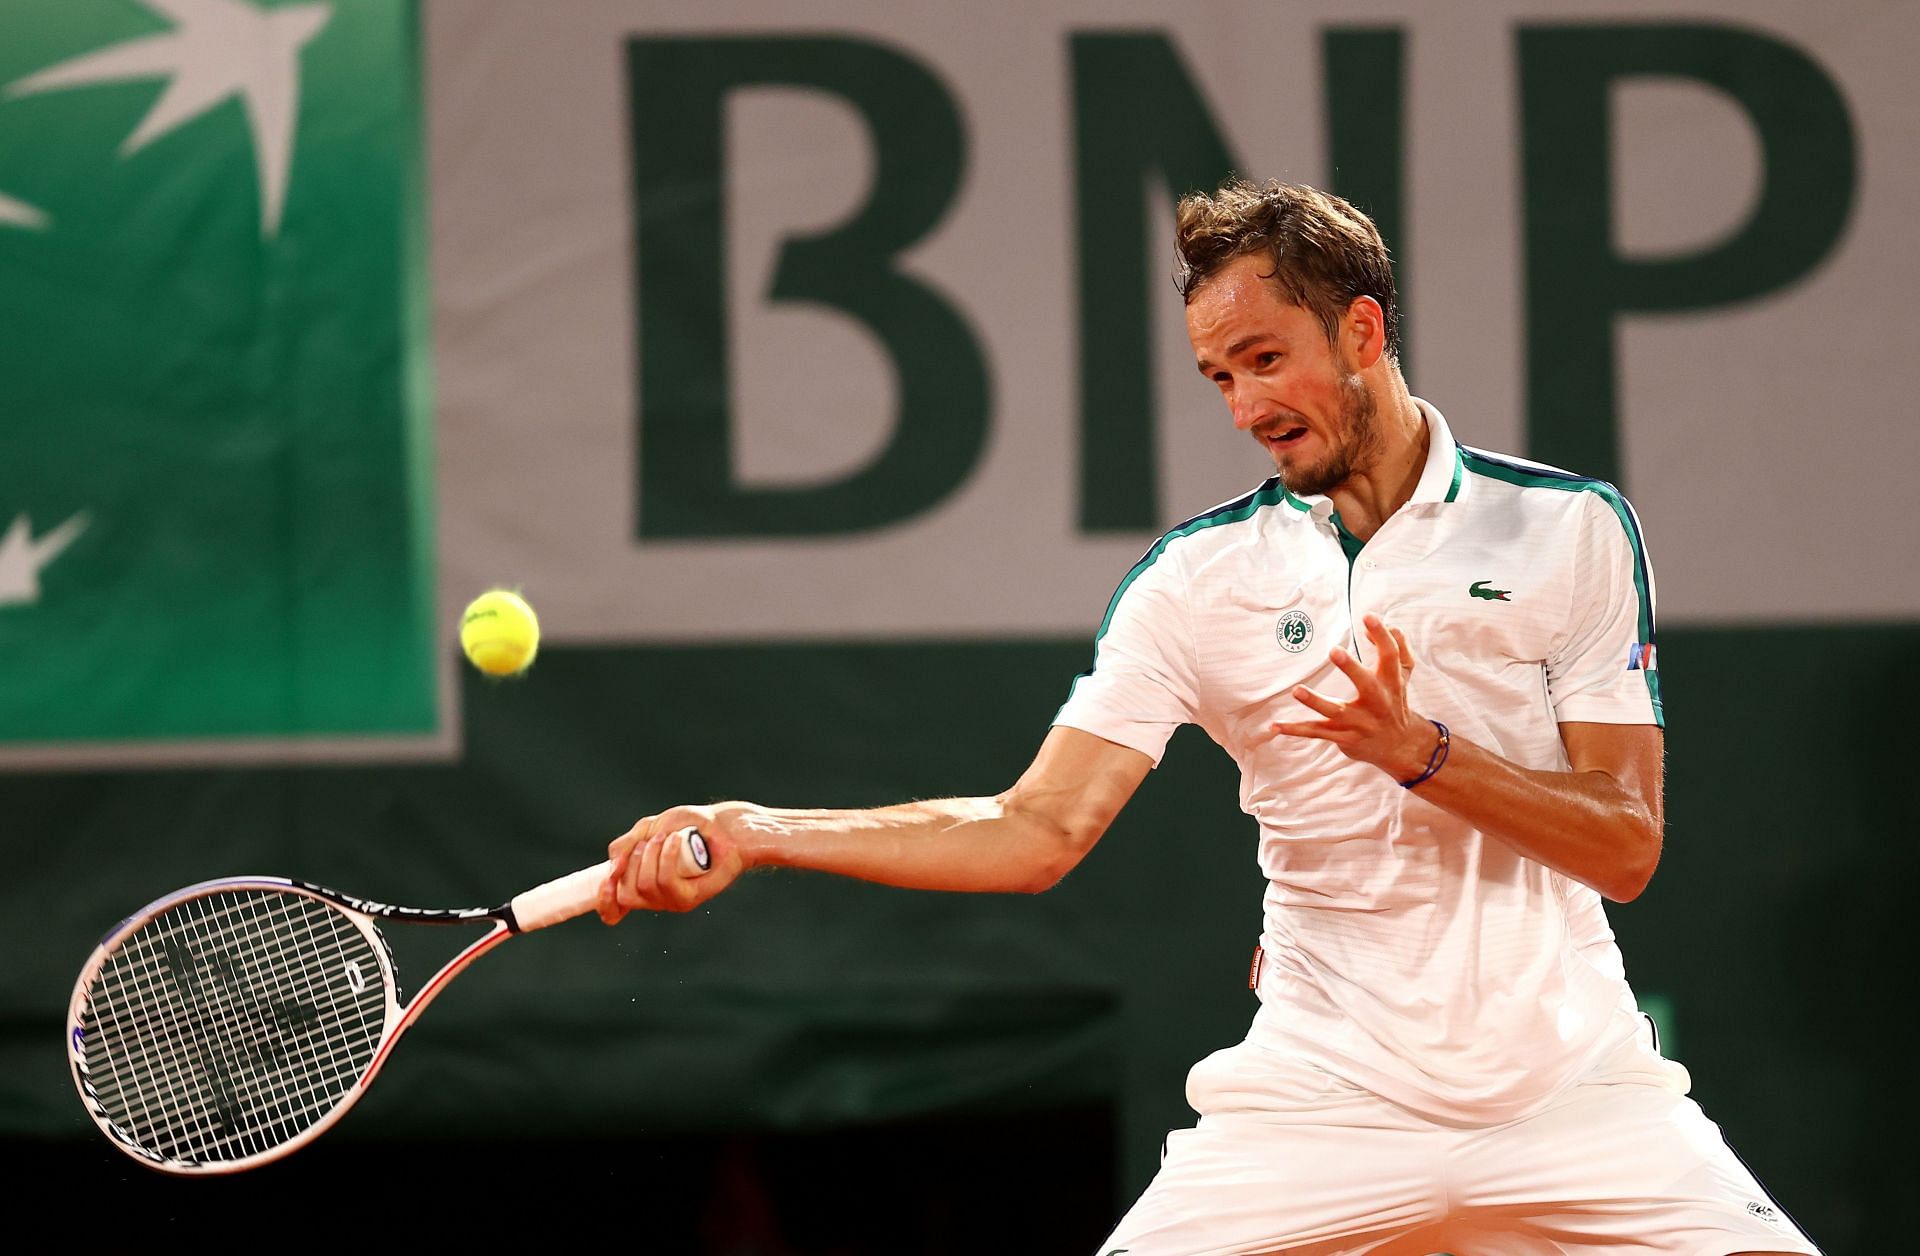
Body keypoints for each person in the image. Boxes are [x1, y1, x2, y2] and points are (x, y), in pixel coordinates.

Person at [597, 178, 1820, 1256]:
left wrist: (1422, 754)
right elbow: (1035, 829)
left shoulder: (1566, 530)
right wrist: (759, 829)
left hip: (1575, 1092)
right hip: (1317, 1100)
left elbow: (1626, 844)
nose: (1244, 404)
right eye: (1218, 375)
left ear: (1362, 327)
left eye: (1266, 357)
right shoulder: (1196, 583)